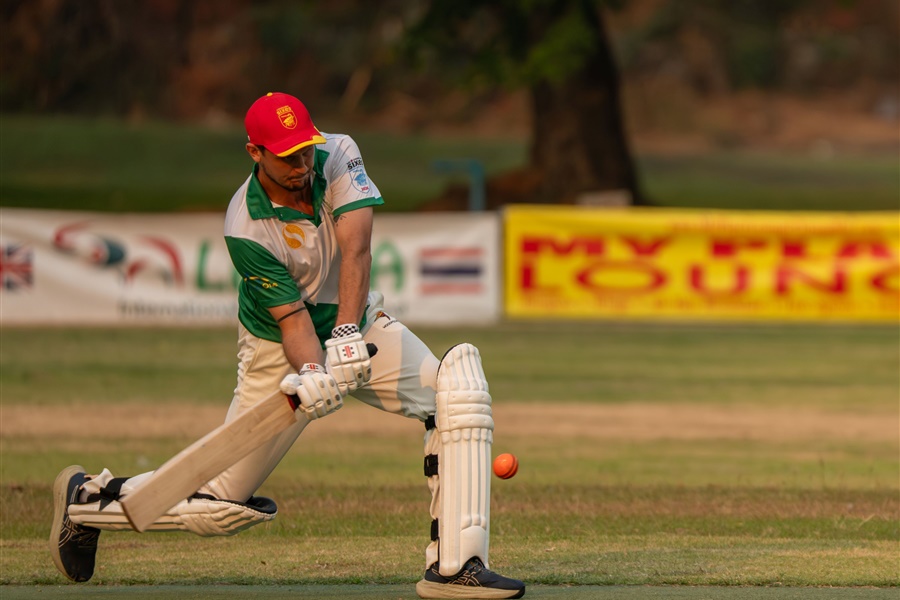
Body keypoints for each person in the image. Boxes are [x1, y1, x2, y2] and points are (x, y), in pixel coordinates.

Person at [50, 92, 526, 599]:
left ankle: (457, 569)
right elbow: (292, 320)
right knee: (220, 507)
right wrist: (315, 373)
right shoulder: (245, 227)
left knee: (457, 390)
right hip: (278, 348)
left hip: (357, 324)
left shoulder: (338, 154)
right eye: (287, 156)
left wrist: (345, 335)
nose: (302, 164)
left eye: (305, 150)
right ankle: (86, 500)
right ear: (255, 152)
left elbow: (357, 249)